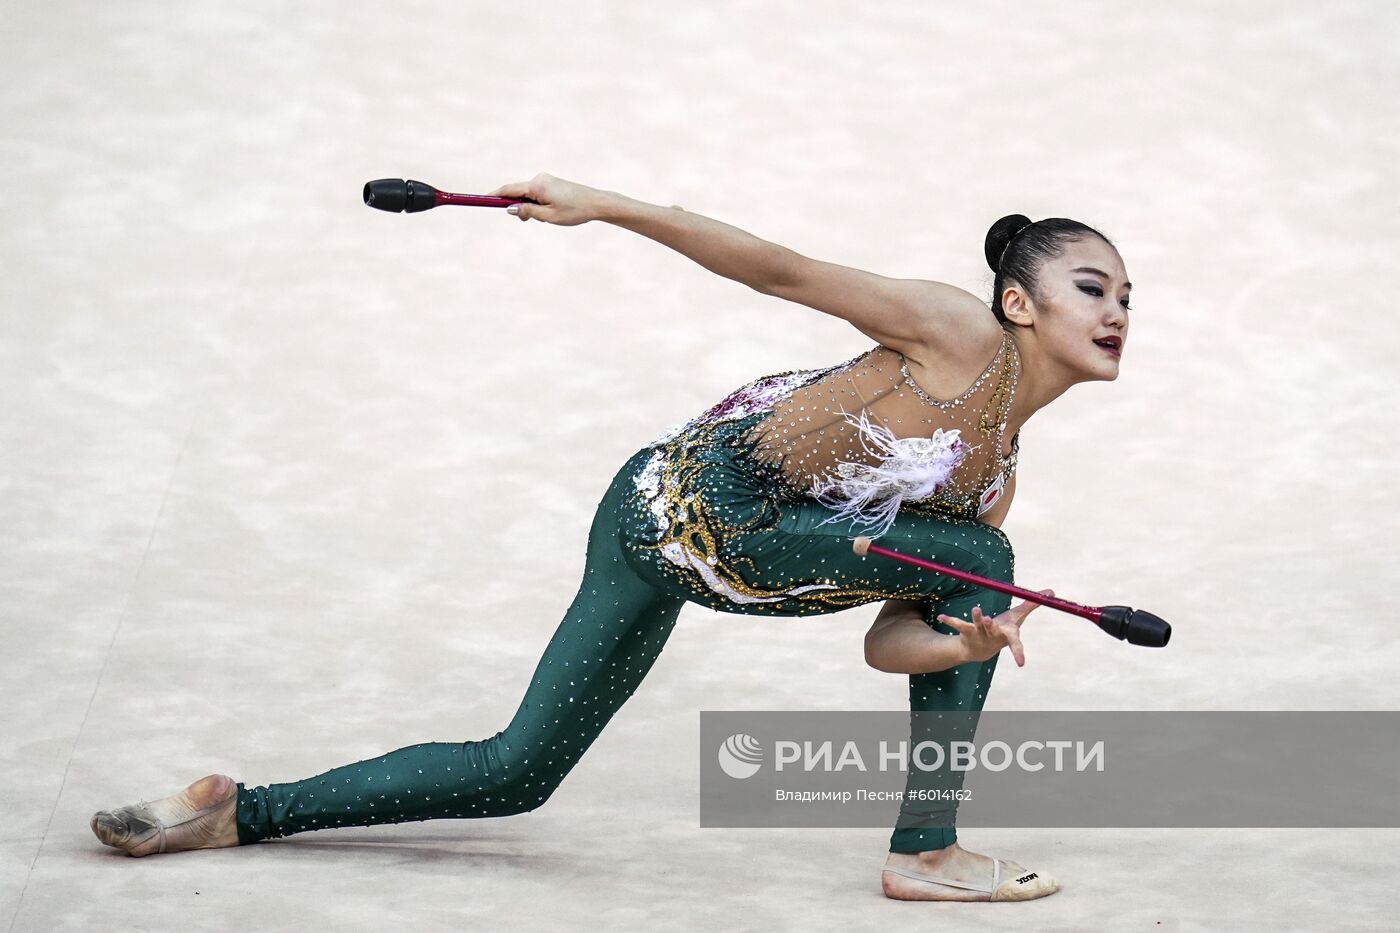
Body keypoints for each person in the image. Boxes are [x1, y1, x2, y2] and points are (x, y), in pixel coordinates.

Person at [91, 172, 1133, 903]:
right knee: (983, 564)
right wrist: (605, 205)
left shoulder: (987, 483)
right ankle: (927, 849)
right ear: (1014, 299)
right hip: (695, 510)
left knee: (513, 776)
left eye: (1127, 296)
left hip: (683, 536)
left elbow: (883, 645)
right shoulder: (954, 333)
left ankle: (235, 812)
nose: (1117, 309)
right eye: (1092, 287)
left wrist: (958, 644)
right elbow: (776, 269)